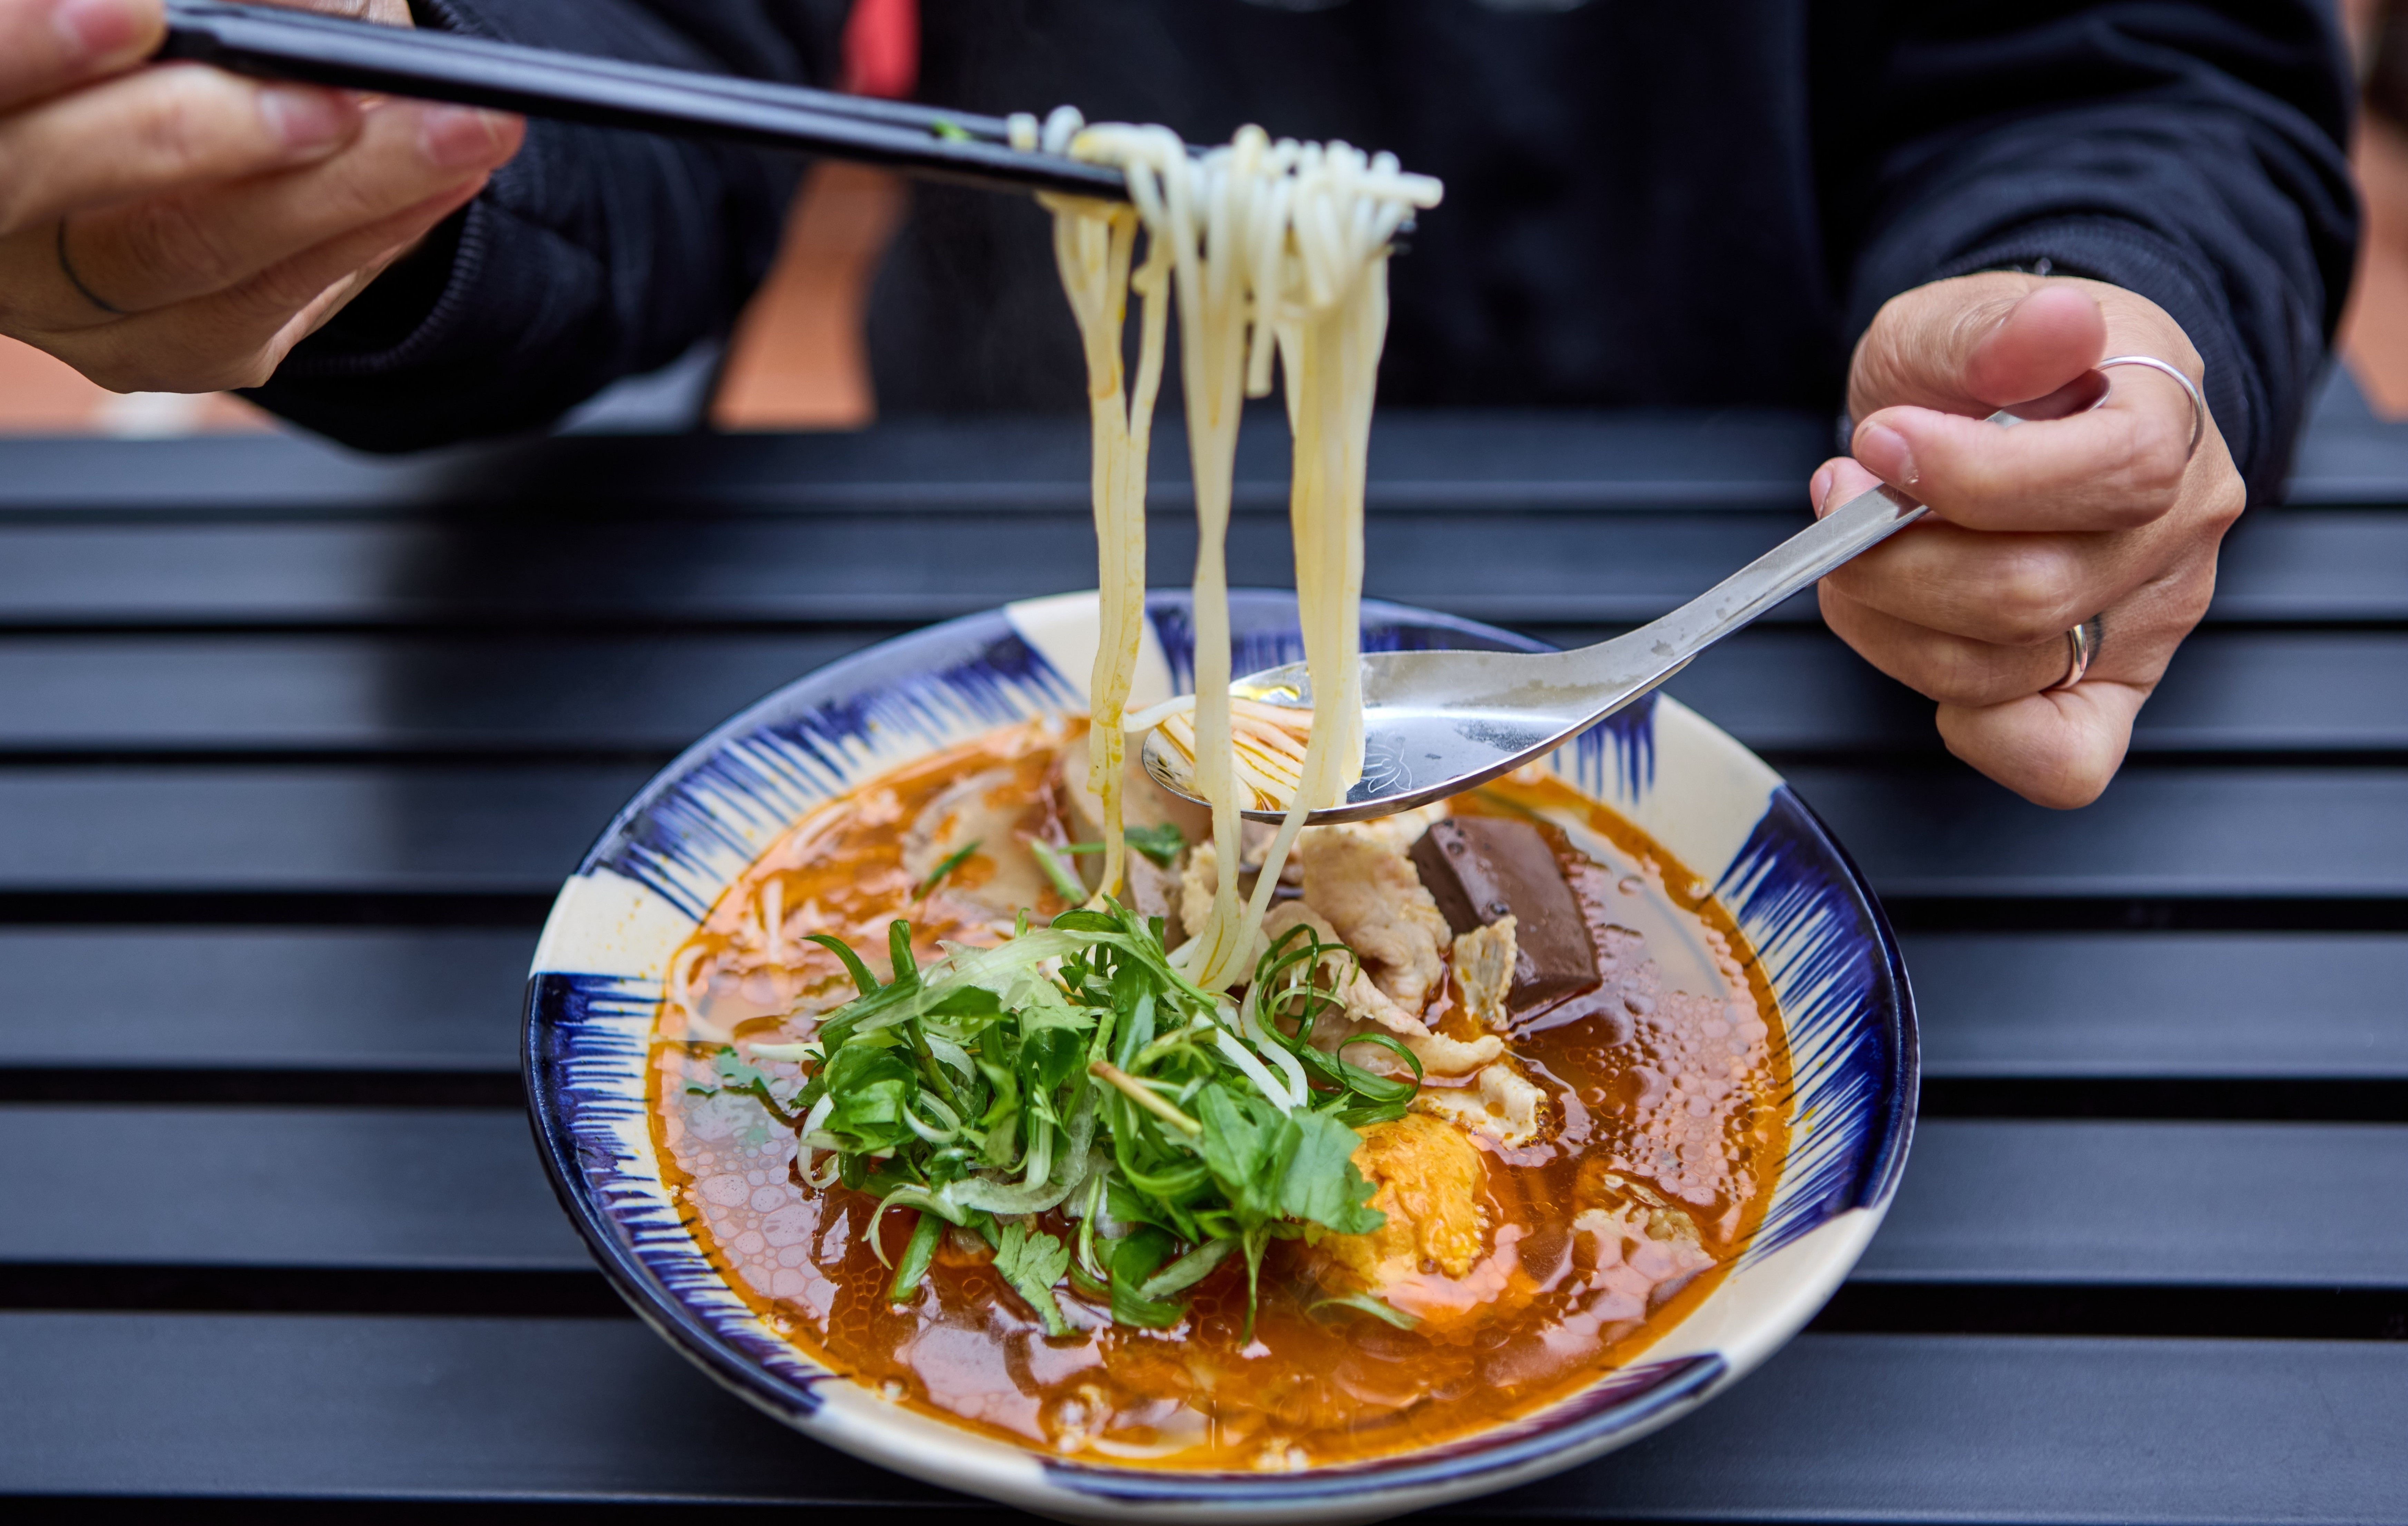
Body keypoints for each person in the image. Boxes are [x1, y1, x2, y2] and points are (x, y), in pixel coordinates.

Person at [0, 0, 2357, 809]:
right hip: (1009, 541)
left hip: (1807, 604)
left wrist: (2092, 323)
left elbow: (2140, 63)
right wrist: (389, 166)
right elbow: (636, 59)